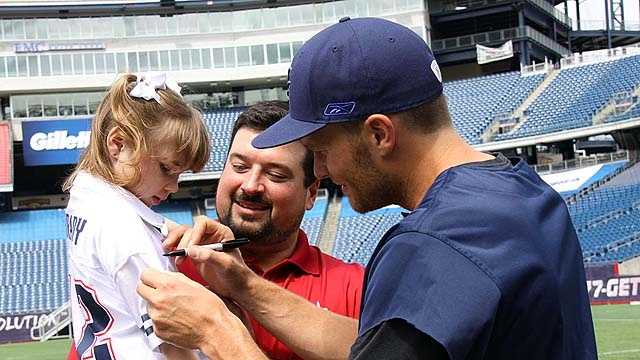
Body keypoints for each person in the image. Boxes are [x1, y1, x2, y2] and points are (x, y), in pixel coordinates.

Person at [139, 17, 598, 360]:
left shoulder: (437, 243)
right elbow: (370, 345)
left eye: (321, 147)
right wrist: (243, 284)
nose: (319, 166)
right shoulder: (521, 191)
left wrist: (217, 330)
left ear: (379, 134)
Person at [166, 100, 365, 360]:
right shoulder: (171, 265)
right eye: (239, 167)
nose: (250, 185)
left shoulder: (356, 287)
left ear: (311, 193)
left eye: (275, 174)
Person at [64, 73, 209, 360]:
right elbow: (173, 341)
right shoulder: (127, 232)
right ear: (117, 144)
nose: (174, 186)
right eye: (167, 168)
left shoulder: (85, 196)